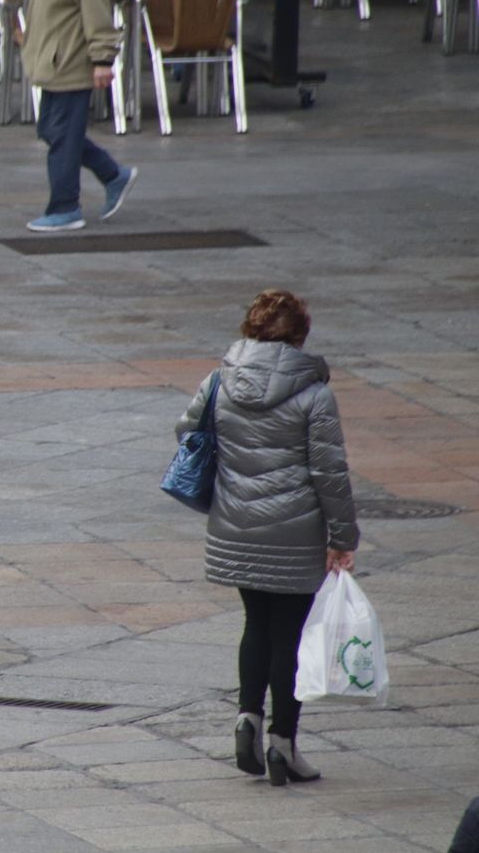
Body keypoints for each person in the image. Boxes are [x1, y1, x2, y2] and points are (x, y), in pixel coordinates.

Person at [176, 289, 357, 786]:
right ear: (300, 334)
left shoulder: (220, 380)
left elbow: (186, 430)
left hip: (236, 523)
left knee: (255, 622)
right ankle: (283, 743)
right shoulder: (314, 393)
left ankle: (246, 717)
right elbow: (330, 473)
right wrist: (343, 535)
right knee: (289, 635)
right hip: (296, 530)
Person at [15, 0, 138, 233]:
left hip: (72, 62)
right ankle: (114, 175)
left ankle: (65, 206)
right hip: (54, 60)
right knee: (52, 131)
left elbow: (98, 13)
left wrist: (102, 60)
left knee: (63, 138)